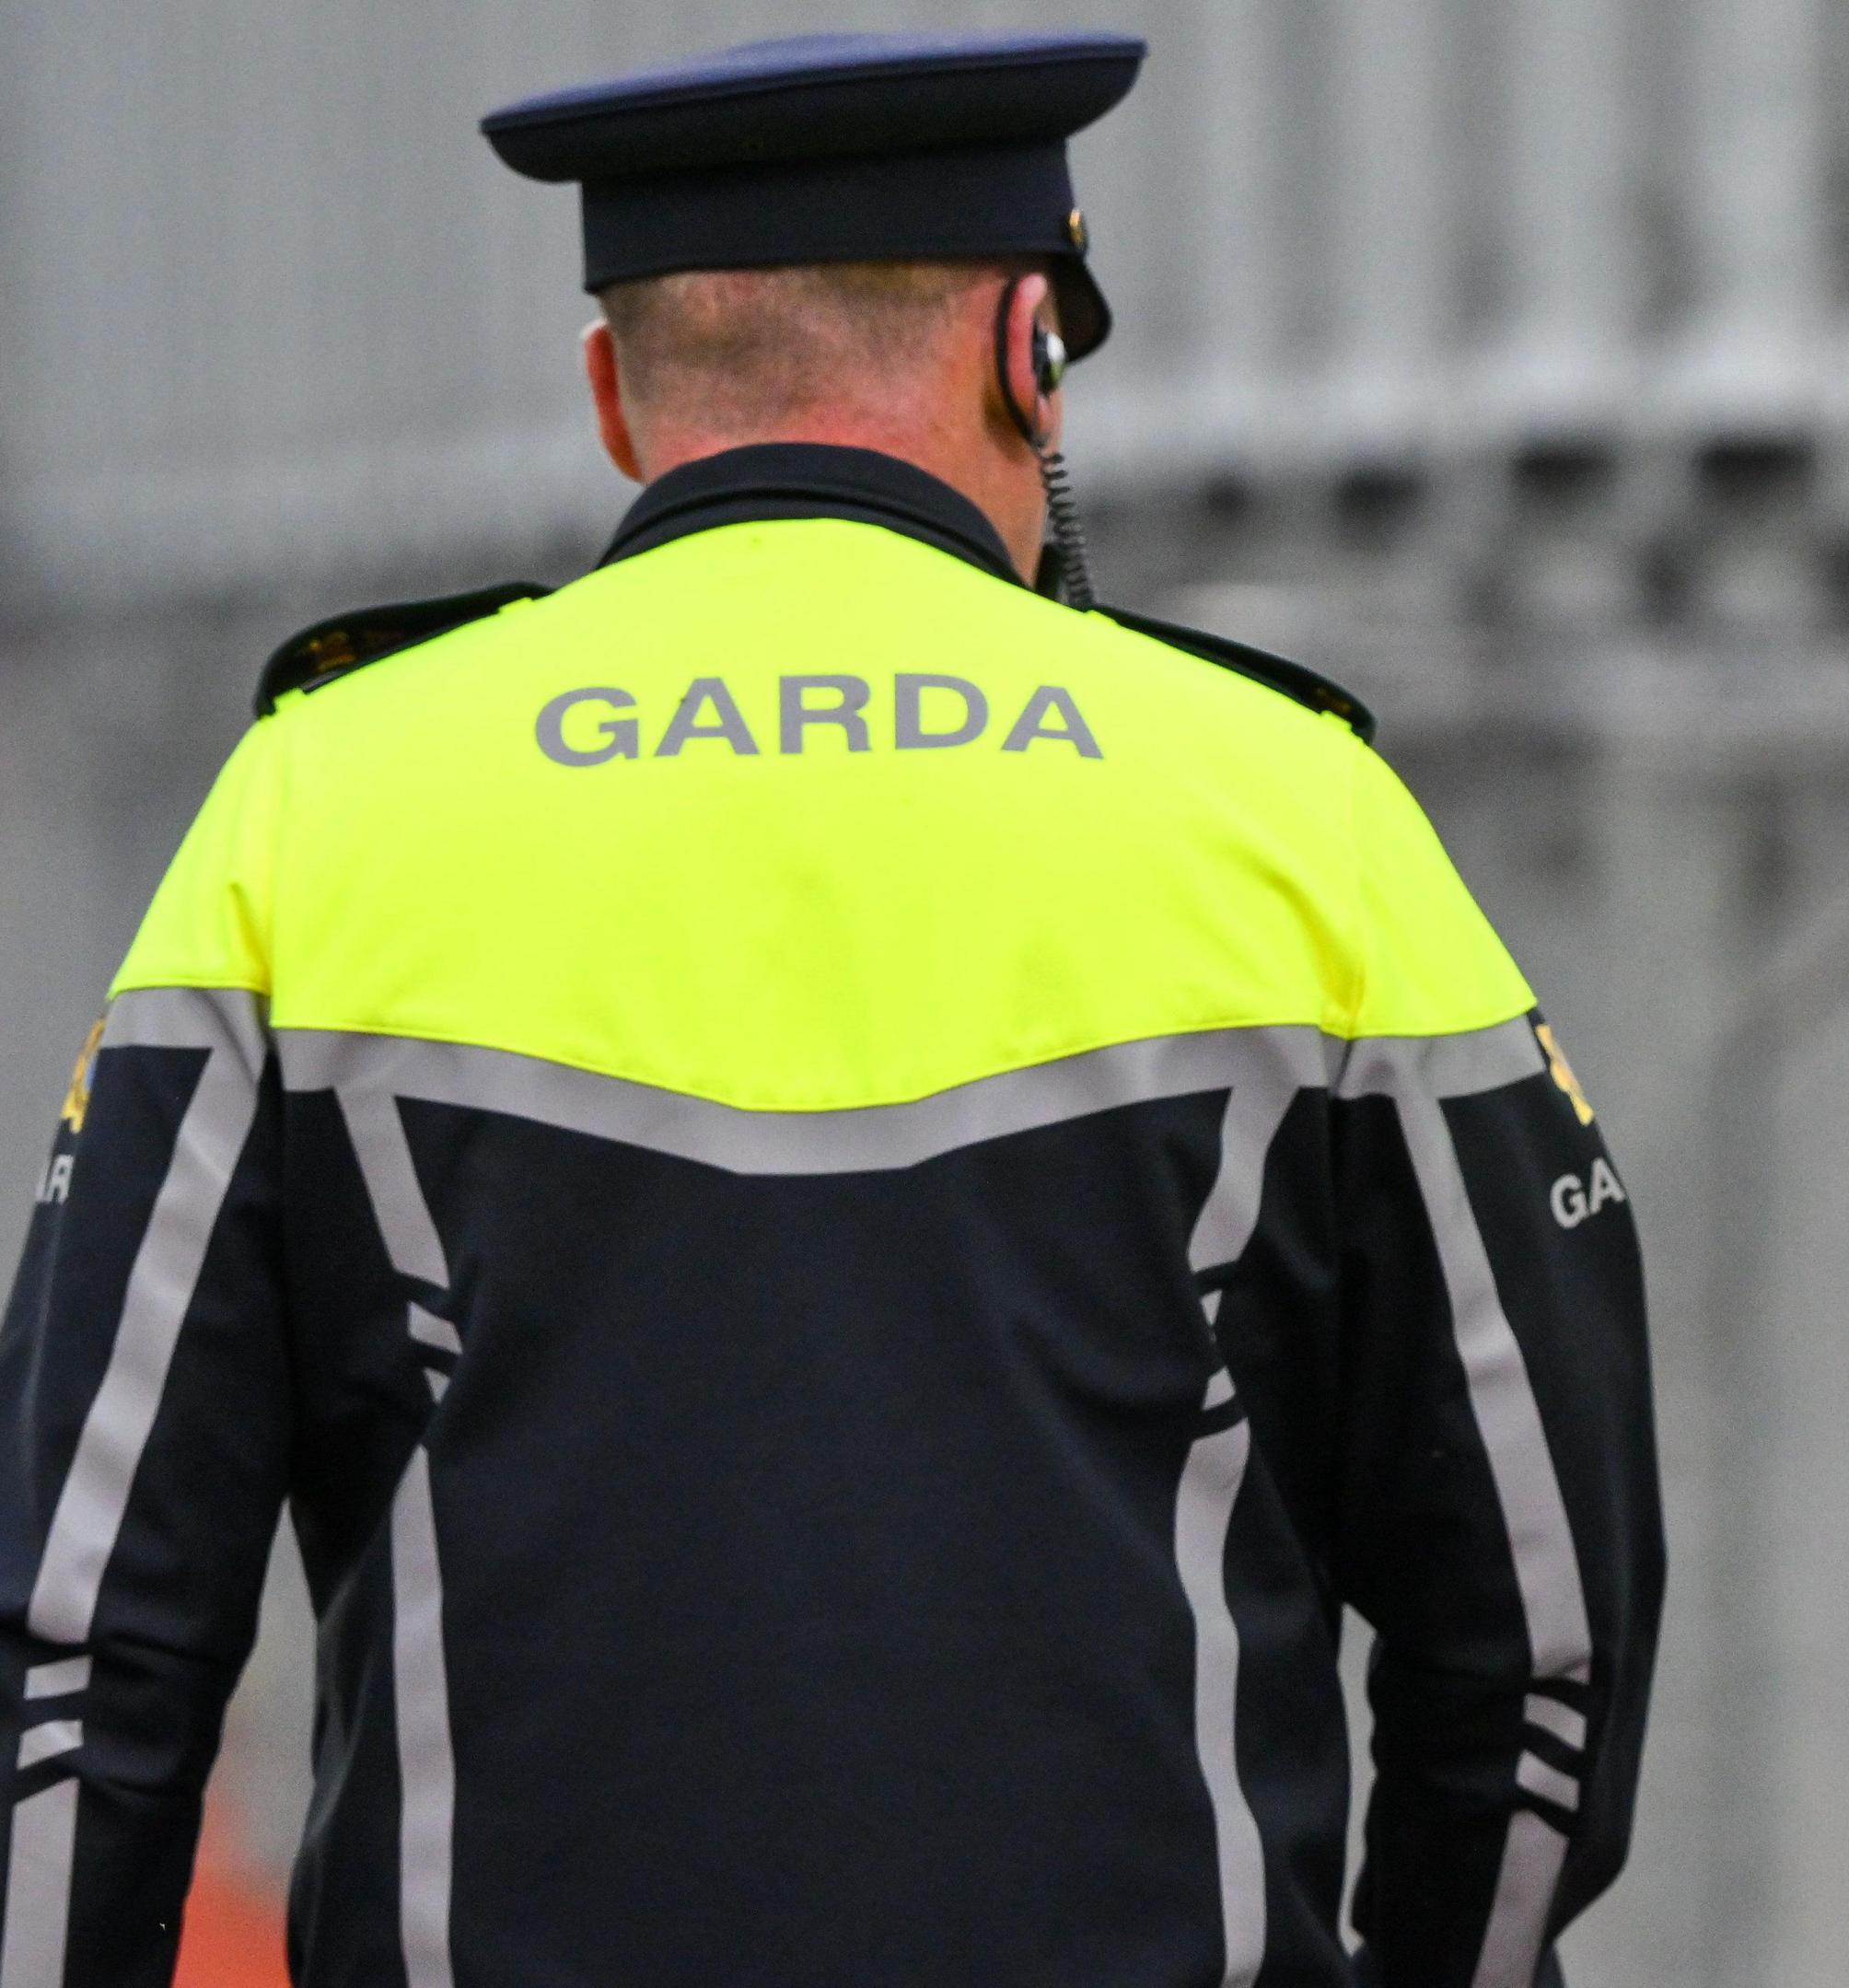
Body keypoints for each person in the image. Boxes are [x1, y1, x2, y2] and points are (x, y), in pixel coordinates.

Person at [0, 30, 1659, 1987]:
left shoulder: (320, 804)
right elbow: (1538, 1630)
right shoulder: (1296, 811)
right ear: (1028, 351)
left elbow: (84, 1629)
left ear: (616, 394)